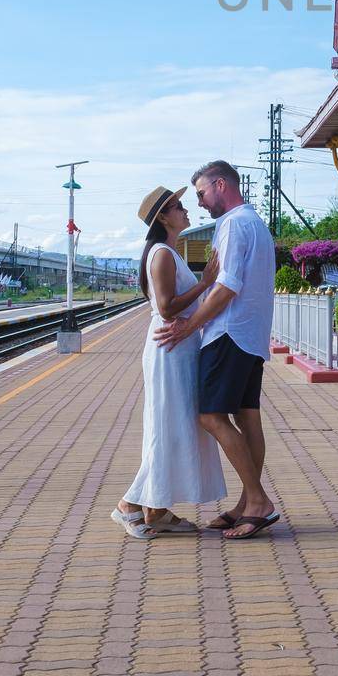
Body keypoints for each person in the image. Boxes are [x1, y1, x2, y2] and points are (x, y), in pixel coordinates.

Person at [153, 160, 278, 540]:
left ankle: (257, 501)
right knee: (247, 416)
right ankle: (245, 503)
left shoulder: (234, 224)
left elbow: (227, 286)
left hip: (228, 334)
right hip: (250, 336)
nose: (201, 203)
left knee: (210, 416)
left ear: (221, 185)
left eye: (202, 193)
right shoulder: (254, 223)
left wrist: (190, 325)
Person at [111, 186, 227, 540]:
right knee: (167, 426)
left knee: (175, 425)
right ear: (163, 217)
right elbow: (165, 306)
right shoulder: (161, 253)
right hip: (170, 348)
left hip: (179, 346)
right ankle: (132, 505)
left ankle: (153, 509)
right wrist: (205, 283)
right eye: (178, 207)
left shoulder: (169, 252)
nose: (186, 210)